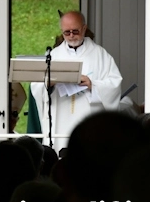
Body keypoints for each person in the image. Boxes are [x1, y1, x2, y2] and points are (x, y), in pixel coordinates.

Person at [29, 10, 122, 152]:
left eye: (75, 31)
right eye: (67, 32)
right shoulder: (54, 55)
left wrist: (92, 85)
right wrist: (48, 84)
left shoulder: (101, 55)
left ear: (84, 28)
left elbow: (114, 84)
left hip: (89, 118)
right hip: (61, 117)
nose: (71, 36)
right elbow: (36, 85)